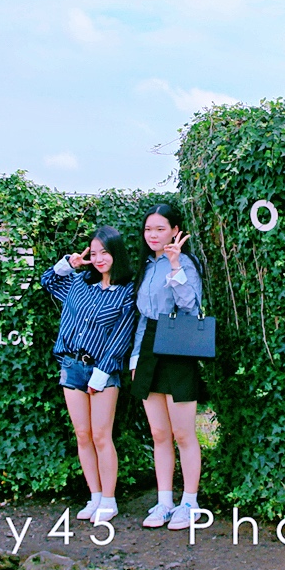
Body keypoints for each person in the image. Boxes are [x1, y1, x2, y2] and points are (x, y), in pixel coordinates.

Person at [40, 225, 139, 523]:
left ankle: (109, 499)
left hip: (103, 371)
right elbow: (47, 281)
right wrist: (68, 264)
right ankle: (94, 496)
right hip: (71, 366)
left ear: (116, 253)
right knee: (82, 435)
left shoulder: (126, 291)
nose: (98, 259)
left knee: (100, 435)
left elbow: (122, 335)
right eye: (94, 253)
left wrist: (102, 373)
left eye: (104, 253)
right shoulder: (79, 283)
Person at [129, 204, 206, 531]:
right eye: (149, 229)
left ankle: (190, 502)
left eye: (160, 229)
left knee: (183, 433)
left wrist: (175, 264)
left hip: (178, 344)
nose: (153, 235)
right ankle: (164, 502)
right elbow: (142, 317)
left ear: (175, 231)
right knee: (159, 433)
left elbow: (192, 306)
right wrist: (135, 358)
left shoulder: (185, 262)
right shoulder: (146, 266)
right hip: (148, 345)